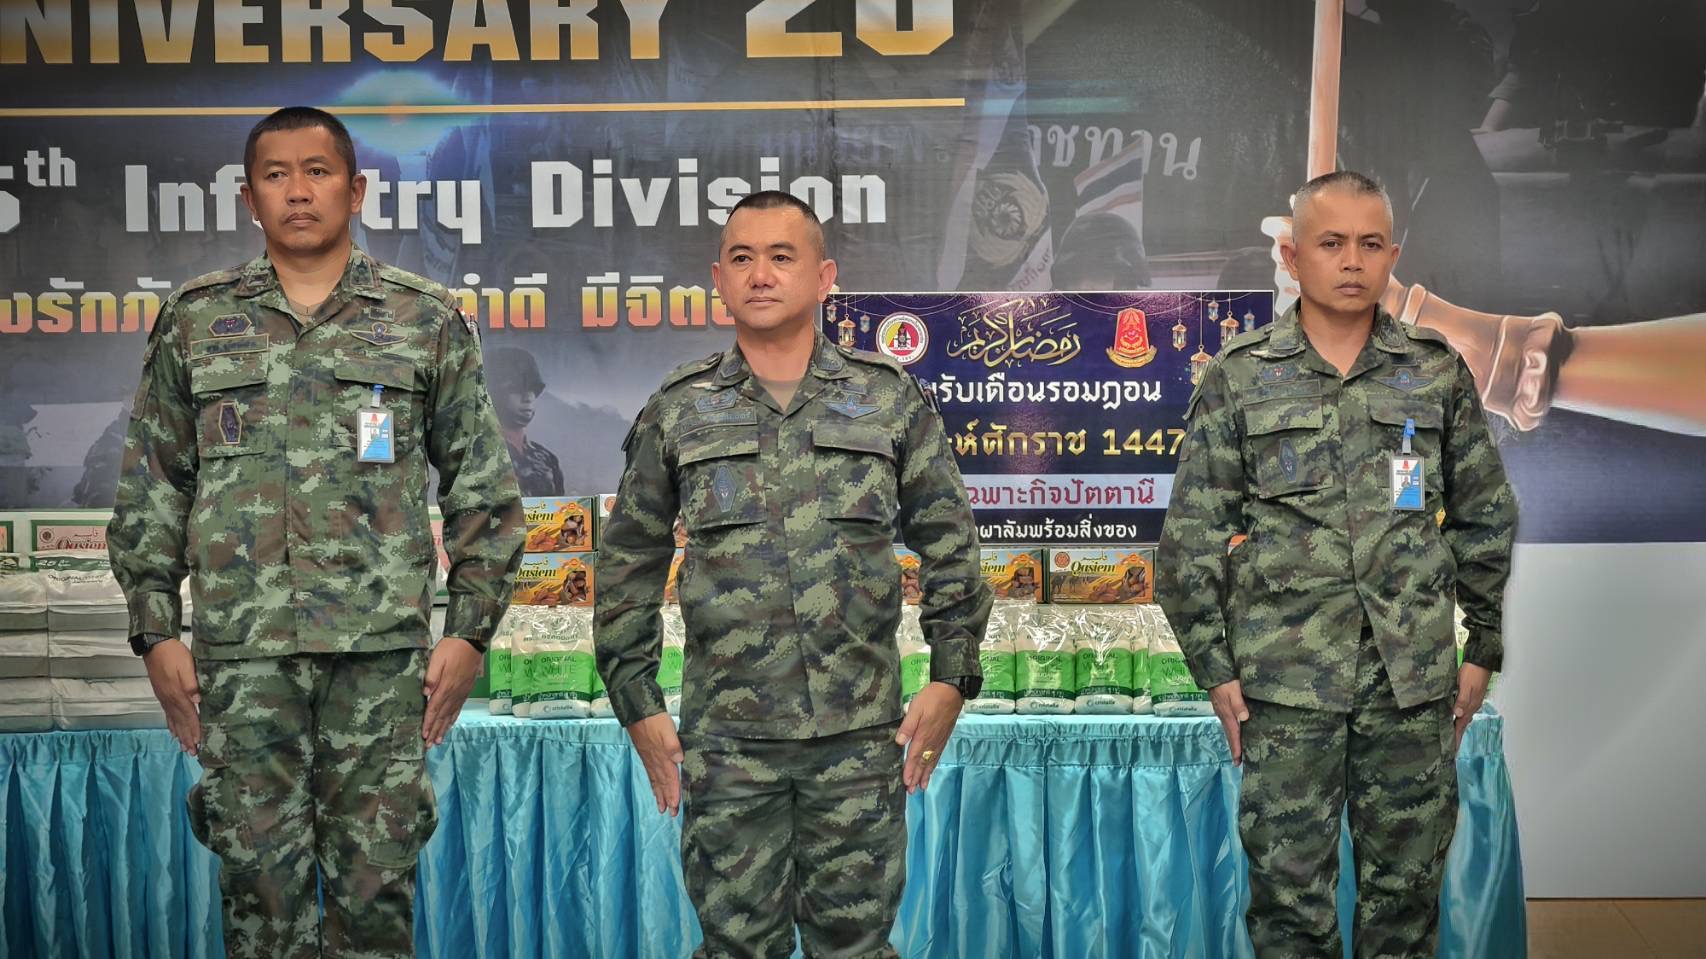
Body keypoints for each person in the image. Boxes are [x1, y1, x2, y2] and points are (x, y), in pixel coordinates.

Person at [107, 106, 525, 958]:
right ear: (248, 196)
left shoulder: (425, 319)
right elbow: (153, 487)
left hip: (379, 662)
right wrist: (155, 630)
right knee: (258, 896)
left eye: (318, 171)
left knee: (376, 896)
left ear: (356, 190)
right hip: (243, 662)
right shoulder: (195, 319)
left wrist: (470, 632)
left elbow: (483, 491)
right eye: (276, 174)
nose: (298, 191)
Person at [595, 190, 993, 958]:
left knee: (856, 947)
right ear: (718, 279)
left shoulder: (886, 399)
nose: (762, 274)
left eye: (783, 256)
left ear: (824, 277)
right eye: (742, 258)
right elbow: (627, 564)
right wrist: (635, 699)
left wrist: (952, 676)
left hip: (857, 741)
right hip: (730, 746)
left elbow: (952, 545)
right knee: (737, 947)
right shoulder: (680, 409)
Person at [1156, 171, 1516, 958]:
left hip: (1410, 688)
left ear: (1394, 256)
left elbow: (1486, 514)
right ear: (1292, 256)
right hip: (1285, 690)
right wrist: (1215, 669)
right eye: (1330, 243)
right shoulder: (1240, 376)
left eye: (1370, 243)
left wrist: (1482, 644)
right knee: (1289, 909)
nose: (1352, 261)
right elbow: (1189, 542)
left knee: (1406, 905)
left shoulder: (1435, 370)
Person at [486, 346, 567, 496]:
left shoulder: (547, 459)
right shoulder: (477, 455)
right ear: (494, 393)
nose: (528, 398)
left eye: (533, 389)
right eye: (516, 389)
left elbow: (560, 507)